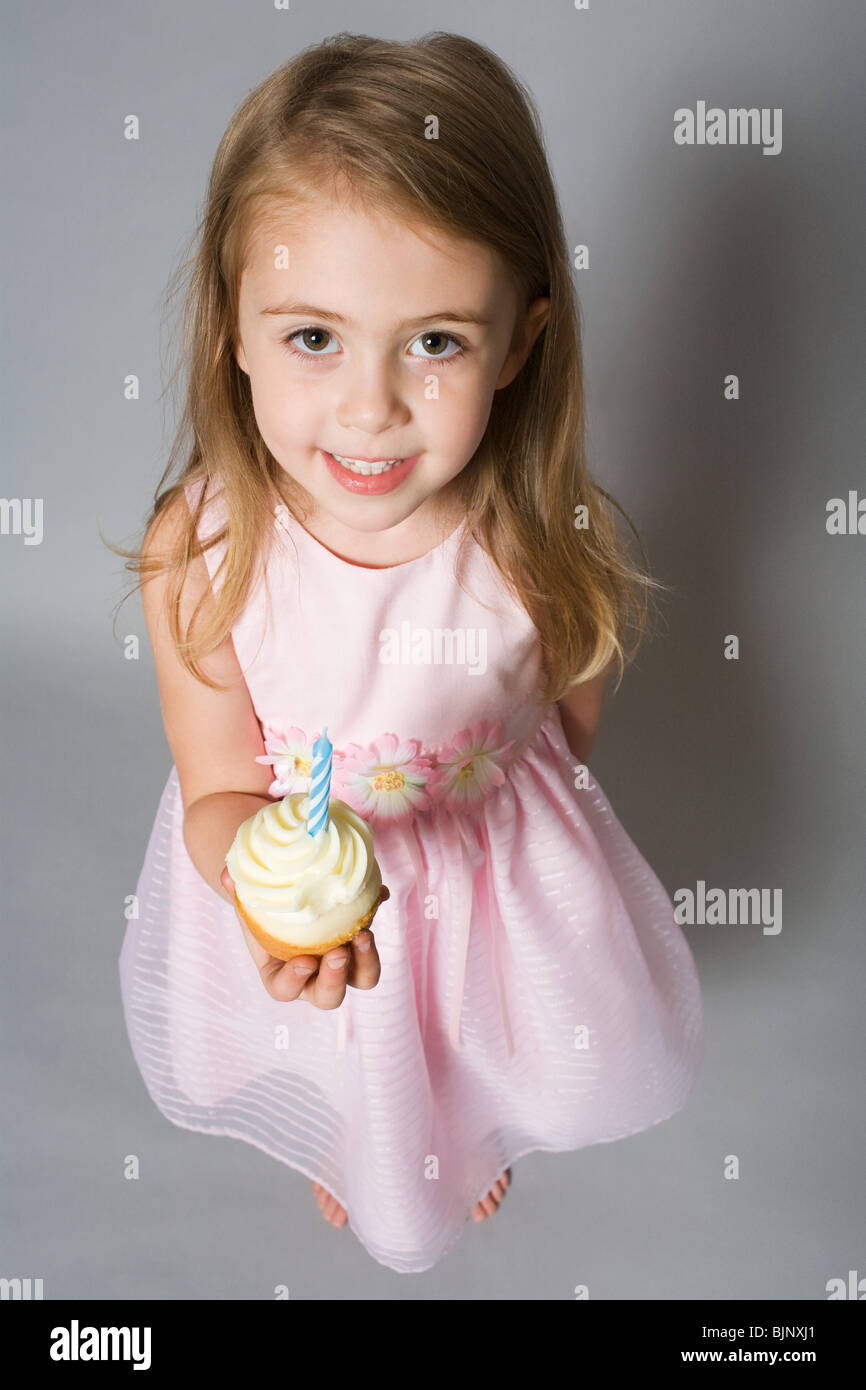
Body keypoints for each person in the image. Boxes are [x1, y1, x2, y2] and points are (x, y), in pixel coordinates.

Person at [116, 31, 704, 1276]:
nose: (370, 406)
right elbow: (219, 784)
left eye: (433, 341)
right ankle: (357, 1135)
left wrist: (516, 815)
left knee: (464, 1026)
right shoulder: (206, 547)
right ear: (233, 323)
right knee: (348, 1035)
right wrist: (279, 910)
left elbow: (572, 695)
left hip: (478, 855)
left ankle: (467, 1117)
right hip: (302, 879)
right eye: (313, 338)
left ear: (518, 338)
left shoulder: (535, 533)